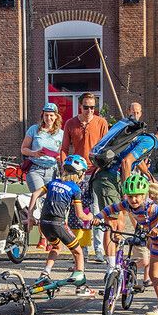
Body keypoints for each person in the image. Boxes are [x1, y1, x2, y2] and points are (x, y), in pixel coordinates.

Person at [90, 119, 158, 271]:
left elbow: (137, 161)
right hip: (109, 179)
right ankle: (111, 269)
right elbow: (126, 162)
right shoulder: (150, 141)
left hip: (110, 178)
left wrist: (151, 177)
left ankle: (116, 264)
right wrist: (127, 192)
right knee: (112, 224)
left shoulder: (145, 139)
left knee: (120, 224)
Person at [92, 174, 158, 315]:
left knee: (153, 275)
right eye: (130, 196)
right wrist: (97, 217)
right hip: (150, 237)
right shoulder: (127, 204)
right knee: (142, 251)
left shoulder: (151, 208)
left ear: (144, 196)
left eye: (137, 196)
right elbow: (110, 208)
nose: (133, 200)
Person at [26, 155, 95, 296]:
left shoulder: (52, 183)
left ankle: (44, 275)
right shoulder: (75, 189)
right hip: (58, 224)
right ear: (80, 174)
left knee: (56, 247)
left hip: (44, 224)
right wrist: (91, 216)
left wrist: (30, 216)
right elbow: (80, 215)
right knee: (78, 252)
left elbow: (34, 194)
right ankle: (80, 286)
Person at [61, 93, 109, 262]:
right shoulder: (70, 123)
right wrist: (64, 167)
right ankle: (83, 250)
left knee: (96, 211)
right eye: (86, 107)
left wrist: (102, 167)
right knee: (79, 213)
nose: (89, 110)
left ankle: (99, 250)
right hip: (77, 175)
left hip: (96, 172)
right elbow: (64, 148)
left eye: (93, 107)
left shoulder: (101, 122)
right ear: (79, 106)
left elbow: (106, 147)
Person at [21, 102, 64, 249]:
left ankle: (44, 235)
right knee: (38, 196)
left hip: (52, 170)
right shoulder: (34, 130)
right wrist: (34, 153)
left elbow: (62, 152)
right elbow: (23, 149)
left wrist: (59, 158)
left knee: (49, 203)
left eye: (51, 115)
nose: (49, 118)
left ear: (56, 116)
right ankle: (35, 225)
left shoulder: (60, 133)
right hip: (35, 169)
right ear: (42, 115)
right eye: (46, 115)